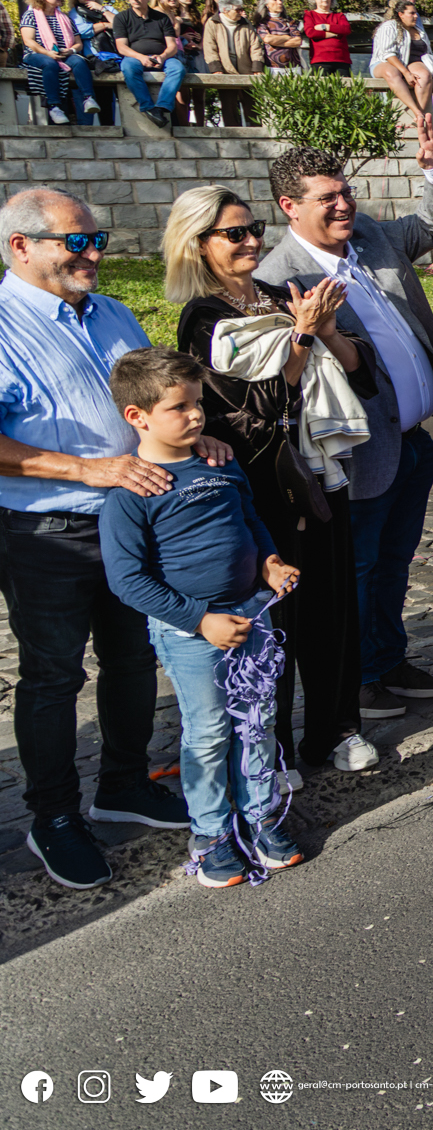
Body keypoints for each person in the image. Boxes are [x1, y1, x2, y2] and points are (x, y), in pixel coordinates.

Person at [0, 189, 219, 888]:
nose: (93, 253)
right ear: (21, 246)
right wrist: (87, 468)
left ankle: (124, 784)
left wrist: (190, 436)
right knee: (54, 675)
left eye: (96, 239)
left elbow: (148, 404)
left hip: (132, 520)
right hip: (48, 531)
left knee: (132, 659)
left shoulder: (113, 312)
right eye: (76, 242)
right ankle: (54, 818)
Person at [168, 185, 378, 778]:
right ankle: (274, 745)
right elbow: (256, 408)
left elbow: (361, 375)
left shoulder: (277, 294)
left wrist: (324, 331)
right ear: (199, 243)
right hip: (264, 481)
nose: (251, 241)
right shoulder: (204, 318)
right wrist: (302, 336)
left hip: (319, 469)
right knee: (277, 616)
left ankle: (337, 728)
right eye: (234, 233)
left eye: (254, 228)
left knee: (333, 604)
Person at [256, 125, 433, 722]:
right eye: (327, 198)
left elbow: (431, 226)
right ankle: (361, 677)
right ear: (290, 206)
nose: (344, 204)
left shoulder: (369, 235)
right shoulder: (280, 277)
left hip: (414, 439)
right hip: (360, 450)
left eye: (345, 192)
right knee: (361, 568)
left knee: (397, 563)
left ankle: (389, 659)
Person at [99, 349, 306, 887]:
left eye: (198, 404)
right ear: (138, 416)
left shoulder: (220, 461)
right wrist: (200, 620)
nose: (196, 415)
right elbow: (128, 581)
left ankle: (262, 816)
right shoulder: (131, 495)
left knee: (257, 722)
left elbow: (250, 519)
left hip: (252, 614)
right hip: (191, 633)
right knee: (209, 732)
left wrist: (270, 563)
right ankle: (211, 834)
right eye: (180, 407)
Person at [19, 0, 99, 125]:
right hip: (37, 54)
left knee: (78, 61)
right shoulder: (31, 15)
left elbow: (78, 43)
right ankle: (54, 106)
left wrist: (71, 50)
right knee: (49, 64)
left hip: (63, 53)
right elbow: (28, 40)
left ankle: (88, 98)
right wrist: (47, 53)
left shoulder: (65, 18)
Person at [112, 0, 184, 128]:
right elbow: (121, 47)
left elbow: (172, 46)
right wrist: (141, 57)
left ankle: (162, 107)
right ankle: (148, 107)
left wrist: (163, 56)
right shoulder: (121, 17)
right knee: (128, 68)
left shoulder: (161, 18)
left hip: (161, 57)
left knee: (178, 68)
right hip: (135, 57)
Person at [370, 0, 433, 128]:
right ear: (401, 14)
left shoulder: (419, 29)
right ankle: (416, 111)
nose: (415, 16)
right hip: (384, 62)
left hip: (411, 62)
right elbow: (387, 54)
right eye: (411, 13)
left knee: (424, 75)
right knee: (392, 72)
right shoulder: (389, 26)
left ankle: (419, 115)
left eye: (416, 13)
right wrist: (406, 73)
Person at [301, 0, 352, 76]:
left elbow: (346, 29)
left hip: (342, 60)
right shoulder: (310, 15)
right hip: (320, 60)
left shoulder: (339, 16)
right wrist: (335, 33)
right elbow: (311, 33)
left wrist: (325, 27)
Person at [255, 0, 303, 74]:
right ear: (266, 4)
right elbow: (268, 39)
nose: (280, 2)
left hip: (294, 66)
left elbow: (298, 41)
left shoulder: (288, 20)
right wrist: (287, 37)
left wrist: (274, 42)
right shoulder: (263, 22)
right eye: (275, 0)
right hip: (273, 67)